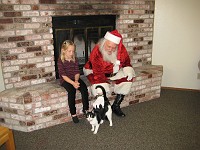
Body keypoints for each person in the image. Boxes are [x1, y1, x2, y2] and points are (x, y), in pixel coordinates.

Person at [83, 30, 135, 117]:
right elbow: (98, 73)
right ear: (104, 43)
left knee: (128, 78)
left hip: (113, 72)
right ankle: (106, 108)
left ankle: (116, 106)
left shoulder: (121, 50)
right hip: (94, 71)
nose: (111, 49)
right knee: (100, 87)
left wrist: (128, 70)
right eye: (108, 46)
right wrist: (104, 83)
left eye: (114, 47)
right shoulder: (97, 51)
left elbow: (126, 62)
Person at [57, 40, 89, 123]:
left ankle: (86, 109)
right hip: (65, 80)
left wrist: (76, 80)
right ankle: (73, 113)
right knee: (71, 91)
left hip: (74, 78)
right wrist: (73, 83)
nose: (71, 53)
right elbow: (63, 75)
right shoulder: (60, 61)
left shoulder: (75, 59)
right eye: (69, 51)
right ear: (63, 50)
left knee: (84, 88)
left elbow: (77, 72)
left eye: (73, 51)